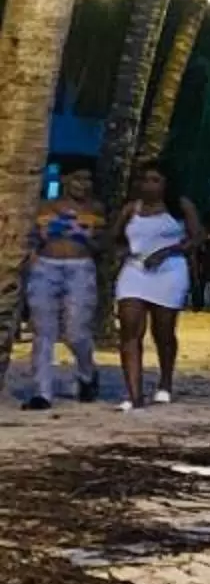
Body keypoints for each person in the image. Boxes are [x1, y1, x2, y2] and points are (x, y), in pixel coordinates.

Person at [114, 163, 200, 408]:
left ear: (166, 183)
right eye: (145, 180)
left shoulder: (180, 206)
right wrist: (121, 250)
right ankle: (134, 394)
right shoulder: (131, 208)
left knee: (163, 332)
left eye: (155, 180)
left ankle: (165, 381)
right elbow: (115, 235)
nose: (149, 185)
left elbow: (196, 237)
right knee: (130, 330)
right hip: (135, 269)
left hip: (170, 270)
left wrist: (169, 250)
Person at [19, 163, 103, 409]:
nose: (83, 185)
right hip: (46, 266)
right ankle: (42, 391)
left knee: (77, 331)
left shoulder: (95, 209)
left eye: (88, 180)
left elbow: (102, 246)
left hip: (80, 267)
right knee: (43, 331)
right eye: (78, 179)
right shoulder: (44, 207)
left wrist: (83, 235)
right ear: (65, 179)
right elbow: (30, 239)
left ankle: (87, 372)